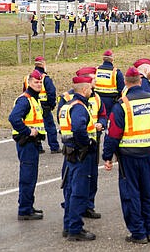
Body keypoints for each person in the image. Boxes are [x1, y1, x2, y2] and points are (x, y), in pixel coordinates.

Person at [103, 67, 150, 244]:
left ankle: (138, 232)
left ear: (126, 83)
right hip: (147, 152)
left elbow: (113, 133)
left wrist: (107, 156)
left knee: (131, 194)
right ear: (140, 80)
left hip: (128, 155)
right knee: (147, 192)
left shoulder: (123, 104)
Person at [58, 67, 106, 220]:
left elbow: (103, 114)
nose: (95, 83)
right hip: (79, 147)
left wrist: (101, 123)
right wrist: (84, 142)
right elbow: (70, 123)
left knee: (91, 177)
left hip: (92, 141)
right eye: (93, 80)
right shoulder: (69, 99)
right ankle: (72, 210)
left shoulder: (96, 97)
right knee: (74, 181)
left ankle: (87, 206)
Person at [59, 75, 97, 241]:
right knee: (79, 192)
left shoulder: (67, 105)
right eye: (89, 88)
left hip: (70, 153)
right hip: (80, 154)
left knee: (70, 190)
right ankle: (75, 229)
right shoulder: (80, 107)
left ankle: (68, 226)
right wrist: (86, 144)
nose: (91, 90)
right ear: (83, 89)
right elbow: (78, 128)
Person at [9, 69, 45, 221]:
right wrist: (27, 131)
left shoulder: (34, 99)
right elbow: (14, 118)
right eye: (36, 82)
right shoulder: (25, 100)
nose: (38, 84)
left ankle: (28, 205)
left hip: (32, 144)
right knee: (28, 177)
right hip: (27, 143)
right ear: (29, 82)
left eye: (40, 82)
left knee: (31, 176)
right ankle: (24, 210)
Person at [23, 56, 59, 153]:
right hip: (44, 105)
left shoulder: (27, 78)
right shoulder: (44, 78)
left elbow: (24, 91)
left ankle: (38, 147)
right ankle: (54, 147)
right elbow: (51, 92)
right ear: (43, 64)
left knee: (35, 125)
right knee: (50, 126)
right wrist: (51, 105)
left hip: (31, 104)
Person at [94, 50, 125, 117]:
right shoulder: (116, 72)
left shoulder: (96, 70)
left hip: (96, 99)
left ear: (103, 59)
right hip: (111, 101)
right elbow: (121, 89)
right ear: (112, 59)